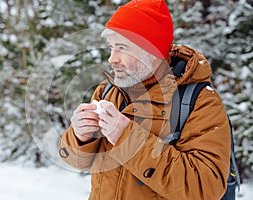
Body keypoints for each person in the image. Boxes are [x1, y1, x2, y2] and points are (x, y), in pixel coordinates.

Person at [59, 0, 231, 199]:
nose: (112, 59)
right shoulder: (107, 91)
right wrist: (79, 137)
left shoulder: (200, 102)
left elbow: (206, 188)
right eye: (112, 47)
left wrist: (127, 138)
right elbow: (76, 161)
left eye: (122, 48)